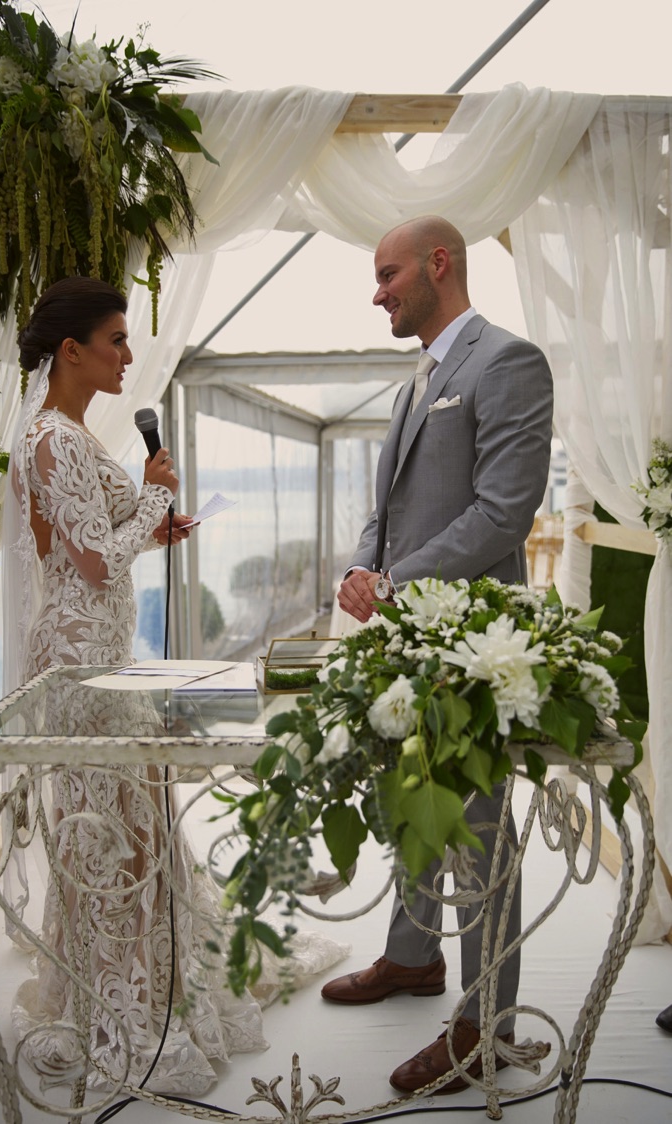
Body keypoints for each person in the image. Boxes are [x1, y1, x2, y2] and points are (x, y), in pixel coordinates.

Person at [2, 277, 346, 1098]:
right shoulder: (51, 437)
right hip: (81, 662)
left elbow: (97, 545)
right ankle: (118, 1000)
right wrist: (155, 492)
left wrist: (156, 528)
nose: (128, 355)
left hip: (103, 649)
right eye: (116, 340)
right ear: (72, 351)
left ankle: (145, 979)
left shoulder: (72, 434)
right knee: (107, 830)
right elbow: (92, 563)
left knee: (132, 818)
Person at [320, 216, 554, 1095]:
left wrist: (394, 581)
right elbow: (386, 510)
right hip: (407, 637)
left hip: (473, 641)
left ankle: (486, 1023)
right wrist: (360, 567)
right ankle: (413, 957)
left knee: (478, 828)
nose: (377, 292)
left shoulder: (509, 362)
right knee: (410, 797)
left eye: (388, 275)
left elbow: (502, 513)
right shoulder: (416, 380)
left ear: (438, 264)